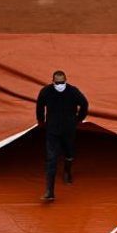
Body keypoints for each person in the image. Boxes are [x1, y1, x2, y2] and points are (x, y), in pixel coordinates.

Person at [35, 70, 88, 202]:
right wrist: (42, 122)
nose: (60, 85)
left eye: (62, 82)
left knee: (69, 153)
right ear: (53, 81)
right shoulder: (46, 92)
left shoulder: (73, 91)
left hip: (68, 130)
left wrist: (78, 119)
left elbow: (84, 104)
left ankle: (67, 171)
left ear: (66, 80)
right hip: (52, 131)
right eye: (57, 83)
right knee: (51, 159)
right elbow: (39, 108)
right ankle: (50, 191)